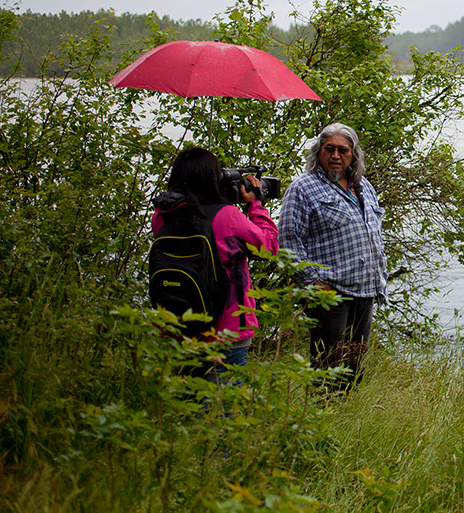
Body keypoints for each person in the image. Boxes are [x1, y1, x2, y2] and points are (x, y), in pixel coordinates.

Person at [152, 147, 279, 385]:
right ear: (213, 178)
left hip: (177, 327)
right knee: (222, 412)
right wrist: (255, 205)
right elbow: (268, 248)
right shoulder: (227, 216)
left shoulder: (161, 216)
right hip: (226, 330)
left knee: (186, 407)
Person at [278, 123, 387, 388]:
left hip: (365, 290)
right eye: (329, 149)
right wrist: (312, 283)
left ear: (354, 155)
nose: (336, 156)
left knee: (354, 364)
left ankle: (345, 416)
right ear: (318, 152)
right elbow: (288, 239)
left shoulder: (364, 187)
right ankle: (322, 415)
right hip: (330, 293)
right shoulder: (303, 188)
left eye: (343, 150)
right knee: (327, 364)